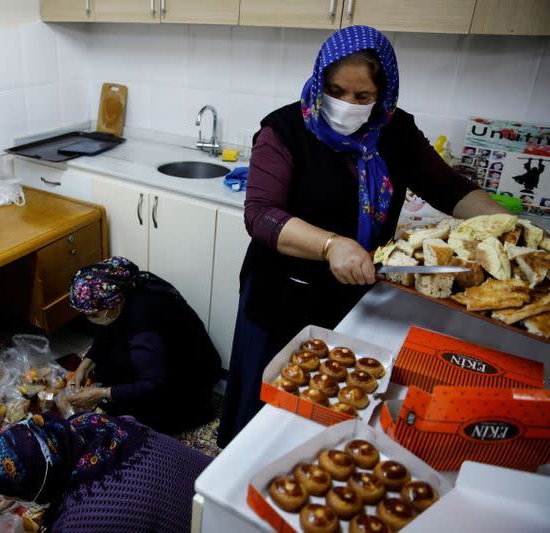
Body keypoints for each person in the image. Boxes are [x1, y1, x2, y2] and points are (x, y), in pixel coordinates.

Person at [217, 25, 509, 447]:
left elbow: (450, 188)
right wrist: (332, 244)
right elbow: (262, 215)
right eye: (335, 91)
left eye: (362, 97)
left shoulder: (395, 130)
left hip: (356, 292)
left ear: (383, 95)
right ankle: (239, 467)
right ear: (320, 81)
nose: (346, 106)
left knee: (336, 399)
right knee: (268, 407)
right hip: (282, 296)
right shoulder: (284, 130)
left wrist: (509, 228)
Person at [64, 256, 221, 435]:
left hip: (188, 375)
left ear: (112, 306)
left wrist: (101, 393)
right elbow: (105, 333)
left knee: (135, 415)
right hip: (162, 353)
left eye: (92, 314)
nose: (89, 319)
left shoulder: (143, 323)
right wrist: (84, 366)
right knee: (110, 362)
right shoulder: (125, 289)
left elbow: (153, 384)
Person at [0, 411, 211, 532]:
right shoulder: (86, 423)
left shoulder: (79, 519)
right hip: (217, 481)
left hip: (214, 523)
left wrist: (23, 492)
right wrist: (12, 489)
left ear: (39, 489)